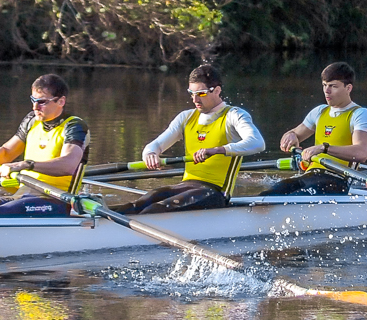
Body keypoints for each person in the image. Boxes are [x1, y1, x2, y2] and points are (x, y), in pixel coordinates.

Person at [112, 64, 265, 214]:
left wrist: (218, 150)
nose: (195, 99)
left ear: (217, 90)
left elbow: (258, 143)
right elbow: (157, 144)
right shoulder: (186, 117)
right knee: (133, 207)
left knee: (154, 211)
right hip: (185, 187)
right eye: (191, 93)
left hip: (214, 193)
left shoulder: (234, 115)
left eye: (201, 93)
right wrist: (150, 153)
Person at [0, 73, 90, 218]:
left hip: (56, 200)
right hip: (25, 194)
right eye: (33, 100)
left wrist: (26, 164)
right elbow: (6, 153)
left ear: (61, 101)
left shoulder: (74, 126)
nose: (35, 107)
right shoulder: (31, 121)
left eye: (42, 102)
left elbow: (68, 165)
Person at [261, 62, 367, 196]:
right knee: (267, 195)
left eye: (333, 86)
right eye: (325, 85)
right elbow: (296, 134)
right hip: (310, 175)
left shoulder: (359, 114)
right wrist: (290, 135)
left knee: (290, 198)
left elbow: (361, 153)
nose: (327, 91)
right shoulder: (319, 112)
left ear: (348, 88)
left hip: (336, 180)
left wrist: (323, 148)